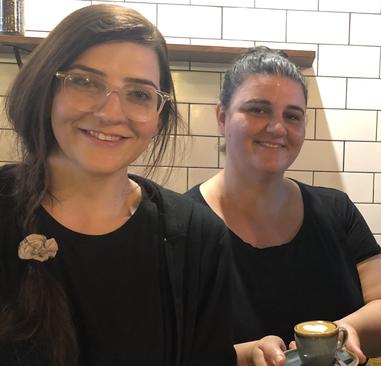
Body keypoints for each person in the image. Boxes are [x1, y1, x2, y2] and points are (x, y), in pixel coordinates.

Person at [0, 5, 236, 365]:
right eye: (84, 81)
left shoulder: (198, 239)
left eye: (139, 94)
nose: (111, 113)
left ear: (158, 116)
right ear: (46, 89)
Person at [185, 47, 381, 365]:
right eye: (258, 110)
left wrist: (343, 331)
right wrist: (248, 356)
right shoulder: (183, 225)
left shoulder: (336, 210)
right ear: (222, 118)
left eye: (292, 115)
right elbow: (170, 348)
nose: (277, 128)